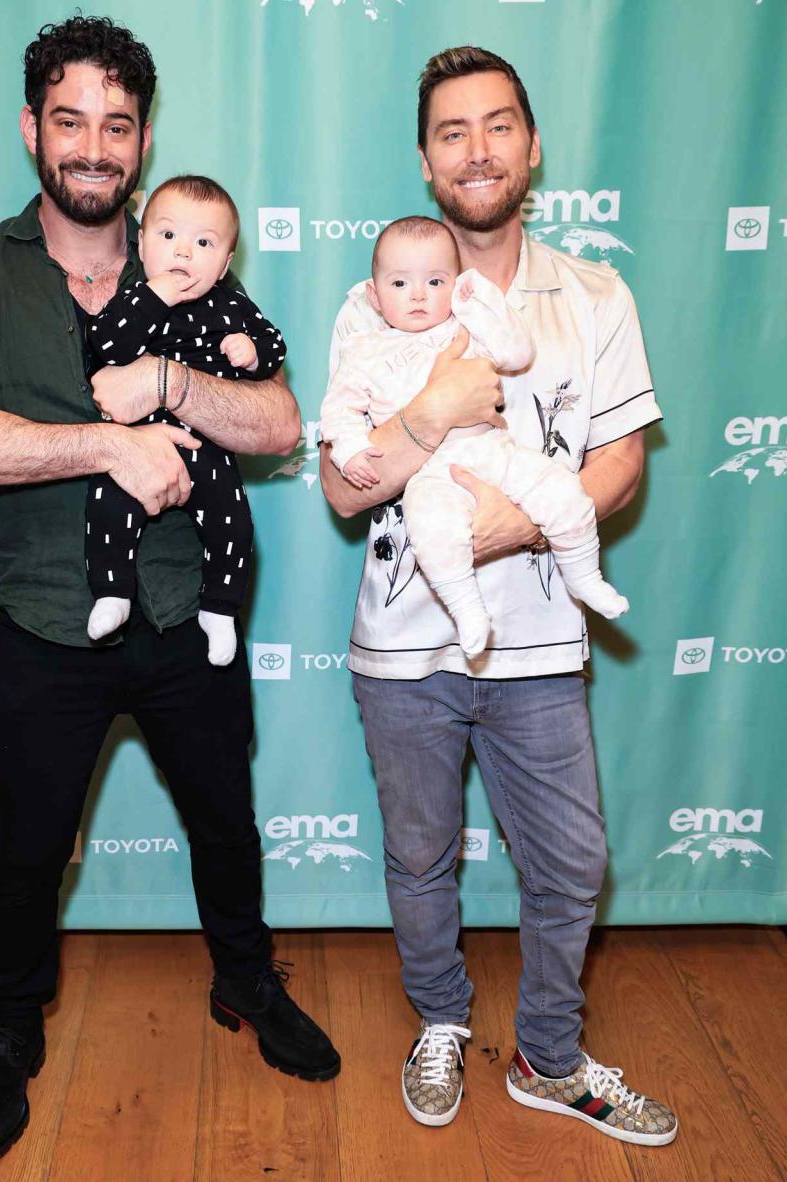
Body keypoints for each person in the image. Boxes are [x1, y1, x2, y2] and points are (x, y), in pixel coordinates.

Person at [0, 15, 338, 1167]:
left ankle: (247, 985)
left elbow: (279, 421)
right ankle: (8, 1031)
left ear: (143, 141)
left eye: (117, 123)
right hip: (50, 619)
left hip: (192, 614)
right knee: (28, 845)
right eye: (70, 120)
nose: (93, 146)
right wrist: (102, 444)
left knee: (224, 825)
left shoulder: (191, 262)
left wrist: (170, 383)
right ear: (31, 128)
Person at [321, 46, 676, 1144]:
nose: (477, 150)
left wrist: (510, 525)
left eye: (498, 126)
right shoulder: (370, 302)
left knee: (572, 862)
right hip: (404, 648)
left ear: (532, 145)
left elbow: (621, 461)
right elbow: (341, 487)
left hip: (538, 644)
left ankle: (550, 1058)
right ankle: (439, 1020)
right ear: (426, 162)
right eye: (452, 133)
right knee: (420, 857)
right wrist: (429, 412)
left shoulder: (593, 294)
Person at [320, 215, 627, 659]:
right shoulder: (364, 349)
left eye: (436, 281)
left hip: (494, 450)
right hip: (429, 474)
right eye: (400, 284)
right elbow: (339, 409)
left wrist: (480, 300)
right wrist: (350, 448)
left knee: (562, 490)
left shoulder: (465, 326)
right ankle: (467, 611)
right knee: (432, 532)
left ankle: (585, 578)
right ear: (374, 295)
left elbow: (517, 352)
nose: (419, 295)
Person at [85, 173, 286, 663]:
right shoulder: (133, 299)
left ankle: (219, 610)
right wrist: (157, 298)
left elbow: (276, 345)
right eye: (168, 236)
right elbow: (107, 346)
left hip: (208, 447)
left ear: (224, 264)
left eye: (203, 243)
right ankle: (113, 593)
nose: (183, 253)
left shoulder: (232, 303)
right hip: (136, 441)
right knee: (108, 505)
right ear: (142, 245)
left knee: (234, 524)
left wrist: (253, 352)